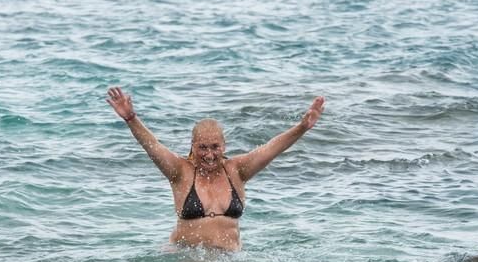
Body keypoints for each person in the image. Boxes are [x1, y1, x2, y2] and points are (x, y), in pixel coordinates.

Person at [107, 87, 325, 251]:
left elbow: (272, 149)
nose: (209, 154)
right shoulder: (180, 172)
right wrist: (131, 118)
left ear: (224, 146)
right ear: (192, 146)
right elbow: (152, 145)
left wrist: (302, 127)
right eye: (202, 147)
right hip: (186, 258)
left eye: (215, 147)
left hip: (228, 261)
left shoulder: (237, 170)